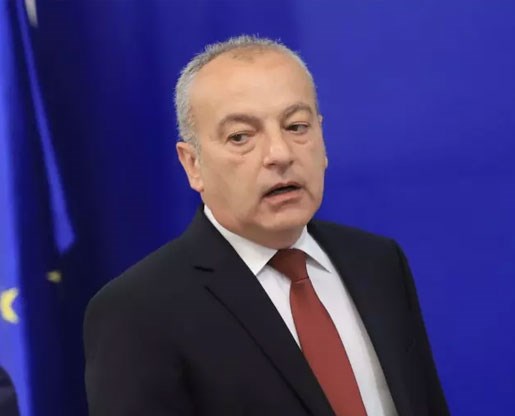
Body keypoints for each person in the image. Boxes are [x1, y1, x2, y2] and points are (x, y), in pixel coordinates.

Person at [83, 35, 449, 416]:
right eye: (241, 136)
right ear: (192, 164)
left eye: (296, 126)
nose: (280, 153)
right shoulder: (136, 311)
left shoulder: (378, 262)